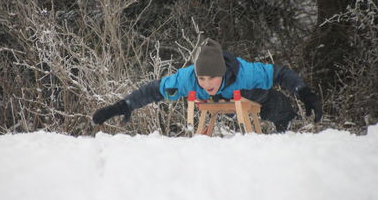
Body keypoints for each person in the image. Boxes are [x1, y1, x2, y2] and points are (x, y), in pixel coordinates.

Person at [92, 39, 322, 133]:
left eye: (211, 78)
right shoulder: (189, 78)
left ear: (222, 73)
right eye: (202, 78)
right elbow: (155, 90)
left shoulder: (245, 73)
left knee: (275, 108)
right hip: (223, 100)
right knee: (216, 99)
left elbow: (280, 74)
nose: (206, 83)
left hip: (259, 98)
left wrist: (304, 92)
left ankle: (286, 117)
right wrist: (124, 105)